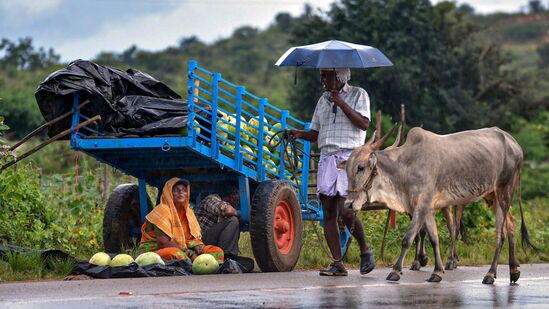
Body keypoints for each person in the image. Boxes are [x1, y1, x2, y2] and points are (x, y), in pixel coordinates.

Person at [290, 68, 375, 276]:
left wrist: (341, 103)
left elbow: (364, 124)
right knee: (328, 213)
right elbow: (315, 133)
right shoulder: (323, 100)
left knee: (346, 210)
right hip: (328, 158)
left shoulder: (358, 94)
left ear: (340, 77)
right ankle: (337, 263)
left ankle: (365, 250)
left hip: (350, 158)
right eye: (322, 76)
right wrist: (298, 134)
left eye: (326, 76)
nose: (322, 80)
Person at [138, 177, 224, 264]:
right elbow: (163, 243)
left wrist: (197, 246)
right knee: (177, 254)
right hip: (155, 251)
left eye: (183, 189)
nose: (181, 192)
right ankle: (193, 265)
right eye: (176, 190)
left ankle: (212, 268)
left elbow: (189, 238)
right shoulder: (161, 211)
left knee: (217, 251)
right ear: (169, 193)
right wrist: (190, 254)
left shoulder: (188, 212)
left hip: (184, 249)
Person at [195, 186, 241, 259]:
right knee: (233, 220)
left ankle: (227, 257)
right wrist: (239, 214)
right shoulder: (211, 199)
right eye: (237, 201)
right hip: (199, 242)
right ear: (232, 196)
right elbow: (228, 210)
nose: (237, 204)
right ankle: (226, 256)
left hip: (210, 242)